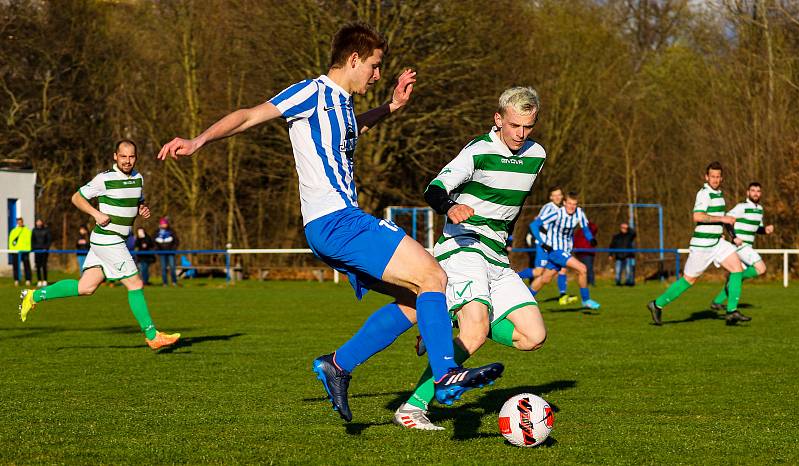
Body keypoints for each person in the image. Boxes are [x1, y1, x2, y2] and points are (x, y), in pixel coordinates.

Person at [156, 22, 503, 422]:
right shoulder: (312, 92)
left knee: (412, 300)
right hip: (337, 221)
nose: (377, 74)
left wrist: (391, 106)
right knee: (433, 276)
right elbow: (250, 115)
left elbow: (355, 128)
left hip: (333, 226)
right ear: (353, 59)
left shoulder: (343, 107)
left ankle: (337, 365)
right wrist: (198, 141)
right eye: (374, 66)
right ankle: (445, 374)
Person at [394, 87, 547, 430]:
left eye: (528, 127)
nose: (520, 134)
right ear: (498, 119)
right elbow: (434, 189)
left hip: (496, 255)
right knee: (476, 330)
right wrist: (451, 207)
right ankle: (413, 406)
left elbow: (512, 205)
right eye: (514, 126)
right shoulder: (478, 150)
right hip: (462, 244)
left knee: (533, 336)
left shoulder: (537, 155)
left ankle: (441, 332)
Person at [18, 139, 180, 350]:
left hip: (113, 240)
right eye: (123, 156)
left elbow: (137, 200)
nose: (127, 161)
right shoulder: (104, 179)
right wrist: (96, 213)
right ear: (115, 156)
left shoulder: (138, 178)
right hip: (108, 239)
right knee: (136, 284)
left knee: (86, 287)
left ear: (136, 157)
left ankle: (34, 295)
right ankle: (152, 335)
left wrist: (142, 208)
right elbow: (76, 198)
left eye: (131, 156)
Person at [647, 161, 749, 326]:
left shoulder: (719, 194)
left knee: (737, 269)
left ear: (721, 178)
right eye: (712, 176)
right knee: (689, 280)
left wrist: (733, 236)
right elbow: (698, 216)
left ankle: (732, 311)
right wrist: (722, 218)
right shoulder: (704, 194)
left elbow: (722, 220)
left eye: (718, 177)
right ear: (706, 177)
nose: (715, 179)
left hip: (717, 243)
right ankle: (657, 304)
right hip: (702, 246)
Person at [529, 192, 601, 310]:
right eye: (569, 204)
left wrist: (591, 239)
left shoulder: (579, 213)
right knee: (582, 268)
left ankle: (525, 298)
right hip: (555, 250)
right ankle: (586, 300)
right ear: (564, 203)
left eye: (575, 204)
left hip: (565, 250)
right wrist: (543, 243)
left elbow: (585, 228)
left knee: (545, 279)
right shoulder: (557, 213)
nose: (572, 207)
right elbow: (534, 225)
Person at [710, 182, 774, 310]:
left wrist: (765, 230)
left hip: (747, 247)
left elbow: (756, 229)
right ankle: (731, 307)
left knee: (737, 277)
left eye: (758, 191)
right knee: (761, 268)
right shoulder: (741, 207)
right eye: (753, 190)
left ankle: (717, 302)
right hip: (740, 246)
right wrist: (734, 237)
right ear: (747, 193)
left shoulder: (760, 209)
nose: (756, 193)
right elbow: (726, 221)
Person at [517, 187, 575, 304]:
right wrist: (542, 241)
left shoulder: (560, 209)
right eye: (555, 195)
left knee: (551, 274)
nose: (558, 197)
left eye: (559, 195)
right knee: (539, 272)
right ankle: (514, 277)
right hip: (544, 246)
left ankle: (561, 295)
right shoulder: (549, 207)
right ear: (551, 197)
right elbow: (537, 224)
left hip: (552, 246)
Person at [154, 217, 179, 286]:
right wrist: (158, 250)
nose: (164, 225)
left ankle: (174, 282)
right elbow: (154, 242)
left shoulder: (171, 231)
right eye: (162, 224)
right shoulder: (157, 232)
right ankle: (165, 283)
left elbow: (176, 241)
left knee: (172, 267)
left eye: (165, 223)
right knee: (163, 268)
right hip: (162, 253)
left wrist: (173, 249)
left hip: (171, 252)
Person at [574, 220, 598, 286]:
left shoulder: (590, 230)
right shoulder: (578, 231)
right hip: (579, 253)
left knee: (589, 268)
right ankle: (583, 283)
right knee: (580, 269)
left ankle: (591, 283)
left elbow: (594, 228)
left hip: (588, 253)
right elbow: (574, 240)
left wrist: (587, 223)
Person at [9, 217, 32, 287]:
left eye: (20, 222)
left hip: (25, 251)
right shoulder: (13, 231)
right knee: (15, 266)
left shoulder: (28, 231)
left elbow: (30, 241)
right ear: (17, 223)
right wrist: (12, 250)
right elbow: (10, 242)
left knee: (27, 266)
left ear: (22, 222)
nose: (19, 223)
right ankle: (16, 280)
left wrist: (29, 249)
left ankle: (28, 280)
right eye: (18, 222)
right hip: (16, 252)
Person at [31, 219, 52, 287]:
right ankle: (39, 280)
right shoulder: (34, 230)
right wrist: (34, 248)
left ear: (42, 222)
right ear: (36, 222)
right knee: (38, 266)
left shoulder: (46, 230)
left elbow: (49, 240)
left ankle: (45, 280)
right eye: (37, 221)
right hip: (37, 251)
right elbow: (32, 240)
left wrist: (45, 248)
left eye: (40, 221)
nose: (39, 223)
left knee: (44, 265)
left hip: (44, 251)